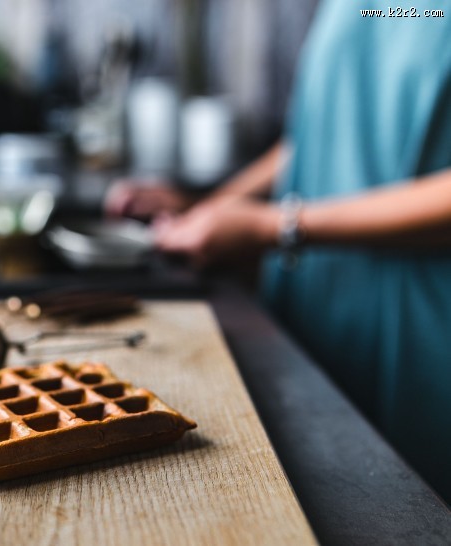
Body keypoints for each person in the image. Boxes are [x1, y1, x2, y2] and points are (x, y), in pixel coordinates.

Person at [106, 0, 451, 502]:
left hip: (420, 331)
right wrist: (210, 208)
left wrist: (274, 225)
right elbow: (321, 130)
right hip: (316, 305)